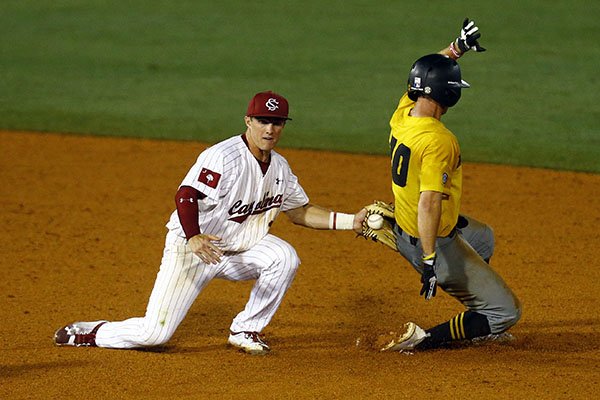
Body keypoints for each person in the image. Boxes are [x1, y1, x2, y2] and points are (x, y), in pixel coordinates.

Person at [54, 90, 366, 355]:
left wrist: (352, 221)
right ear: (248, 121)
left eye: (277, 122)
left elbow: (300, 212)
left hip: (239, 249)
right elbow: (186, 195)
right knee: (155, 335)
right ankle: (93, 333)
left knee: (284, 257)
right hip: (194, 249)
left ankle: (246, 330)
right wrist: (193, 236)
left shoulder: (280, 168)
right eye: (262, 121)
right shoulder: (223, 157)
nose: (269, 129)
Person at [379, 19, 521, 352]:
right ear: (446, 92)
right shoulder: (439, 140)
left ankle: (471, 300)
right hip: (429, 240)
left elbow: (425, 75)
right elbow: (430, 202)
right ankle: (425, 340)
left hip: (404, 221)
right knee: (506, 311)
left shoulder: (404, 113)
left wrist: (456, 48)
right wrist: (429, 260)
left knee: (482, 237)